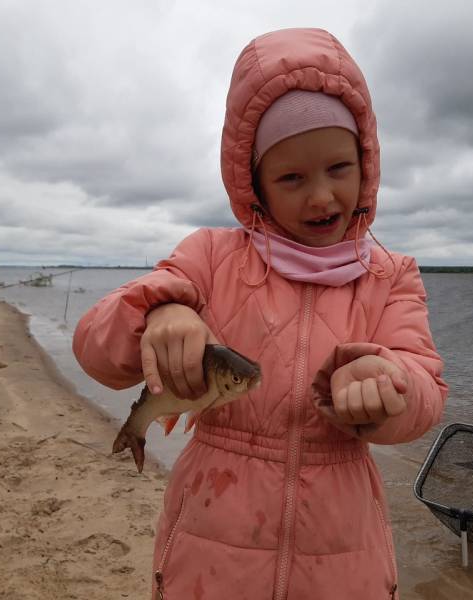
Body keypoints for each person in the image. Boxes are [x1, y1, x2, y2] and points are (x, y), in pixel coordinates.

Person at [73, 27, 447, 599]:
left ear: (365, 164)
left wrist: (389, 387)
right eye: (292, 177)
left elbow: (425, 390)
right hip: (209, 552)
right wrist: (162, 311)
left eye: (338, 169)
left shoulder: (391, 276)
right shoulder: (209, 258)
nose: (321, 197)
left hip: (345, 561)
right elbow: (93, 347)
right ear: (256, 185)